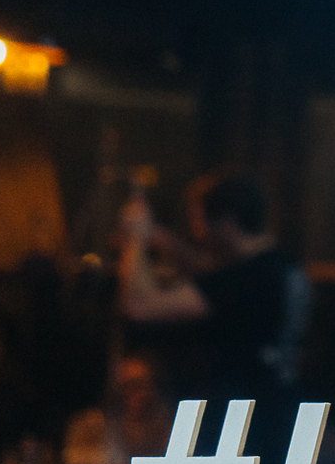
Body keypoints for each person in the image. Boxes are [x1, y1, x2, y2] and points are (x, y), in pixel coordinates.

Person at [117, 172, 309, 405]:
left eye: (200, 221)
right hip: (276, 400)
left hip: (238, 412)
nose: (197, 233)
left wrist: (135, 237)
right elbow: (210, 275)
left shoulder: (242, 279)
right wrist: (167, 244)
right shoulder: (281, 267)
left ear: (227, 223)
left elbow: (140, 306)